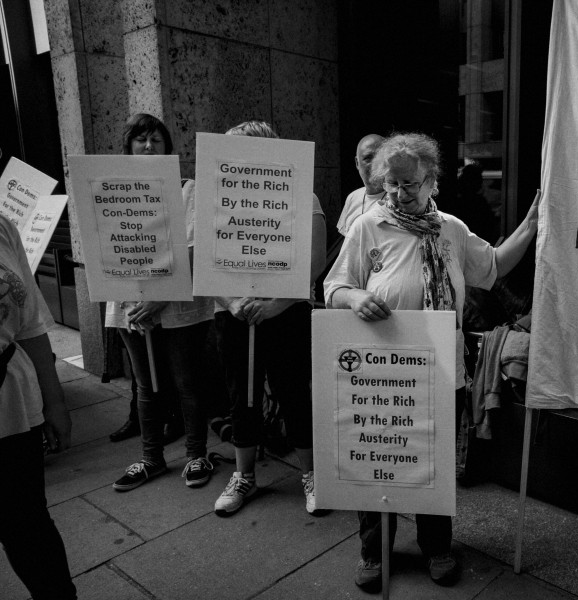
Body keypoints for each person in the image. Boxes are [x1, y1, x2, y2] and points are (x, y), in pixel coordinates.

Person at [324, 132, 540, 592]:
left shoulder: (452, 230)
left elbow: (494, 265)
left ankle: (436, 546)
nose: (400, 193)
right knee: (377, 458)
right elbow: (334, 286)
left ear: (432, 180)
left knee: (433, 461)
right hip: (380, 373)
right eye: (393, 184)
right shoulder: (369, 226)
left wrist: (532, 223)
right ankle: (373, 549)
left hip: (441, 368)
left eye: (410, 184)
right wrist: (357, 296)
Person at [212, 120, 327, 517]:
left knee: (294, 392)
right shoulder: (217, 198)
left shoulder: (303, 197)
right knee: (240, 397)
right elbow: (205, 262)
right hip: (236, 314)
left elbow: (314, 262)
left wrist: (276, 303)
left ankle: (310, 475)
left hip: (287, 313)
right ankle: (244, 476)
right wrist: (231, 303)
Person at [109, 113, 216, 492]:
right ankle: (152, 459)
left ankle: (196, 455)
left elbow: (192, 248)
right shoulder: (113, 191)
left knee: (187, 381)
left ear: (169, 147)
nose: (149, 146)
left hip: (177, 305)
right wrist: (139, 299)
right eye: (141, 140)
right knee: (144, 385)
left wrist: (160, 298)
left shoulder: (188, 190)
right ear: (128, 147)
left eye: (156, 139)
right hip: (131, 303)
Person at [0, 213, 77, 599]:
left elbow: (30, 325)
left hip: (11, 405)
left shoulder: (2, 226)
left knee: (27, 524)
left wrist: (55, 403)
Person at [336, 134, 386, 236]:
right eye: (368, 158)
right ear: (357, 163)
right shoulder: (353, 198)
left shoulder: (399, 199)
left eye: (380, 157)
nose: (375, 163)